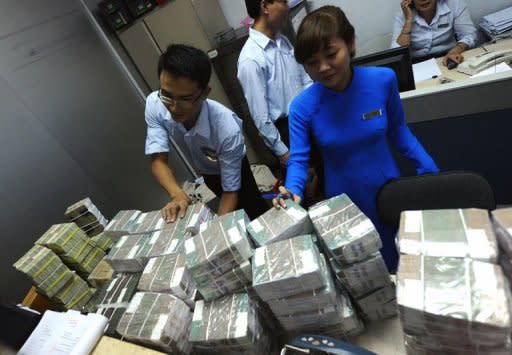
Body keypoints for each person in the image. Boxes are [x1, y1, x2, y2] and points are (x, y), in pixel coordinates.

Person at [274, 6, 439, 271]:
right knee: (367, 273)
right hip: (345, 204)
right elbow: (299, 159)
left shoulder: (383, 80)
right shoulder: (302, 107)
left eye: (331, 55)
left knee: (407, 262)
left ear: (350, 44)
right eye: (312, 63)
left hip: (389, 192)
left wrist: (427, 167)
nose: (323, 68)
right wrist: (292, 191)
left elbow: (399, 133)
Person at [145, 44, 268, 222]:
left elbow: (231, 191)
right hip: (207, 171)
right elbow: (158, 162)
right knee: (225, 207)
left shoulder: (226, 128)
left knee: (252, 208)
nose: (173, 107)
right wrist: (177, 195)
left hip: (234, 166)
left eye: (185, 99)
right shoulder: (155, 104)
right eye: (167, 95)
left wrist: (216, 230)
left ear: (204, 93)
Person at [237, 0, 312, 169]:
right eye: (283, 2)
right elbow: (261, 116)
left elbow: (304, 79)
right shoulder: (250, 59)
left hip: (307, 118)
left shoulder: (282, 40)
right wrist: (283, 152)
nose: (287, 7)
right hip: (287, 132)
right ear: (264, 7)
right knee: (306, 187)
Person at [391, 0, 477, 65]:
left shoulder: (454, 4)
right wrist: (408, 21)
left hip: (449, 57)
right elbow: (396, 54)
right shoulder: (402, 16)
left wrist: (455, 51)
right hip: (417, 64)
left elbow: (469, 35)